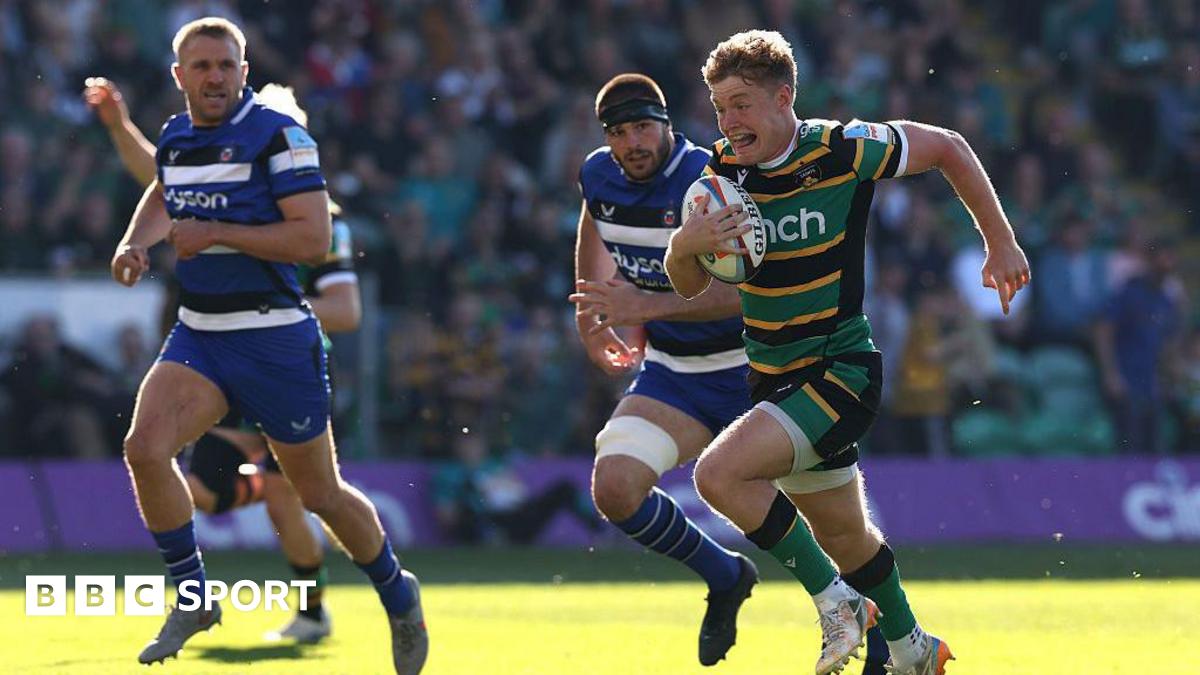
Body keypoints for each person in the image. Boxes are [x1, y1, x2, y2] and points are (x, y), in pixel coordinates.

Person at [665, 30, 1030, 675]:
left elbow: (949, 146)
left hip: (840, 371)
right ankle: (915, 648)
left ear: (784, 99)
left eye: (742, 103)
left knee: (717, 476)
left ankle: (837, 604)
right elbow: (692, 285)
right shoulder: (719, 178)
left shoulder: (841, 148)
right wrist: (684, 245)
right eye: (720, 107)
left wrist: (998, 242)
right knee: (846, 539)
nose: (728, 120)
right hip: (773, 379)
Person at [106, 18, 425, 672]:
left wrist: (215, 231)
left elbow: (311, 241)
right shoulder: (176, 135)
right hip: (202, 332)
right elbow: (164, 191)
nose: (215, 76)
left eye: (226, 64)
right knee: (144, 448)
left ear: (244, 71)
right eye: (202, 66)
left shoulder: (281, 136)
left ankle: (398, 590)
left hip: (276, 338)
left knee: (318, 496)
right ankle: (193, 593)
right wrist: (135, 242)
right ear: (180, 76)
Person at [85, 76, 359, 645]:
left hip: (287, 360)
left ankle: (313, 610)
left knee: (295, 504)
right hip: (223, 354)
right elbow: (163, 185)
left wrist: (264, 299)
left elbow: (347, 309)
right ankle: (258, 505)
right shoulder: (224, 189)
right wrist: (120, 127)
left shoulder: (323, 222)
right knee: (205, 490)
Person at [568, 73, 758, 668]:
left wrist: (640, 307)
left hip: (759, 369)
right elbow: (593, 222)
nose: (633, 142)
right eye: (620, 132)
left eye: (643, 127)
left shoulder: (712, 181)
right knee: (615, 488)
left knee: (822, 518)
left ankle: (877, 620)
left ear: (667, 123)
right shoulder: (598, 173)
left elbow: (749, 291)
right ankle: (724, 575)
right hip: (676, 370)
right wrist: (593, 315)